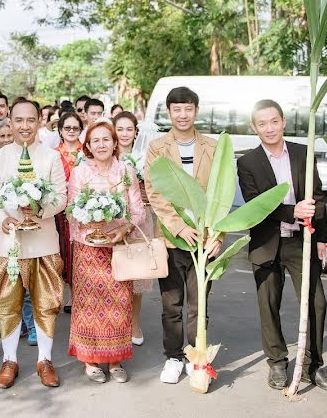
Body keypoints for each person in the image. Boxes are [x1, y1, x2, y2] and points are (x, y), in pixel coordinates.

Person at [237, 99, 327, 393]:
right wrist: (291, 212)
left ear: (283, 122)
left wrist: (322, 238)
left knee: (316, 303)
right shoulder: (247, 162)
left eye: (274, 121)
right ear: (254, 128)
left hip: (302, 242)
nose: (269, 128)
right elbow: (255, 206)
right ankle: (276, 362)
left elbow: (317, 199)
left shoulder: (302, 153)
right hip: (267, 244)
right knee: (268, 305)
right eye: (262, 123)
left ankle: (313, 367)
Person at [0, 99, 68, 389]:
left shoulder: (52, 157)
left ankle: (45, 360)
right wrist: (0, 219)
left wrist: (41, 210)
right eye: (19, 120)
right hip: (10, 244)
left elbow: (61, 196)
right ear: (10, 120)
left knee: (47, 303)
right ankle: (10, 360)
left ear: (39, 121)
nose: (24, 126)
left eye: (30, 120)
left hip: (44, 242)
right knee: (8, 304)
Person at [144, 86, 220, 385]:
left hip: (204, 239)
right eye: (177, 109)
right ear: (169, 112)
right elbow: (155, 191)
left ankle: (195, 356)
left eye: (188, 108)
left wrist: (218, 236)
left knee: (198, 305)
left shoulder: (213, 147)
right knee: (172, 305)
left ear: (196, 111)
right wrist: (178, 227)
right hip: (172, 238)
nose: (183, 114)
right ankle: (174, 357)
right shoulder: (157, 148)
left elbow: (221, 195)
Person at [67, 121, 145, 383]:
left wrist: (122, 230)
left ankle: (115, 360)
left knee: (120, 304)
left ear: (114, 143)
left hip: (118, 248)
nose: (101, 145)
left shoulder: (126, 172)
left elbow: (138, 211)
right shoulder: (79, 173)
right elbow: (71, 210)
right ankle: (90, 360)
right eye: (95, 140)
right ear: (87, 146)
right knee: (88, 304)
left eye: (106, 139)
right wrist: (91, 222)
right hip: (87, 248)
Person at [114, 111, 153, 346]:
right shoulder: (107, 154)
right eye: (120, 129)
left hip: (140, 218)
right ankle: (116, 322)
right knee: (116, 274)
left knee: (136, 274)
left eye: (129, 129)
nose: (125, 134)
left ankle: (134, 323)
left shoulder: (144, 156)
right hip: (114, 219)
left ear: (135, 132)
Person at [54, 111, 85, 313]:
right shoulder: (53, 154)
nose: (71, 131)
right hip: (58, 211)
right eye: (67, 128)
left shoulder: (87, 152)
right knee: (59, 252)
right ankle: (58, 296)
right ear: (60, 130)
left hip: (82, 210)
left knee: (77, 253)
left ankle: (76, 297)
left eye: (75, 128)